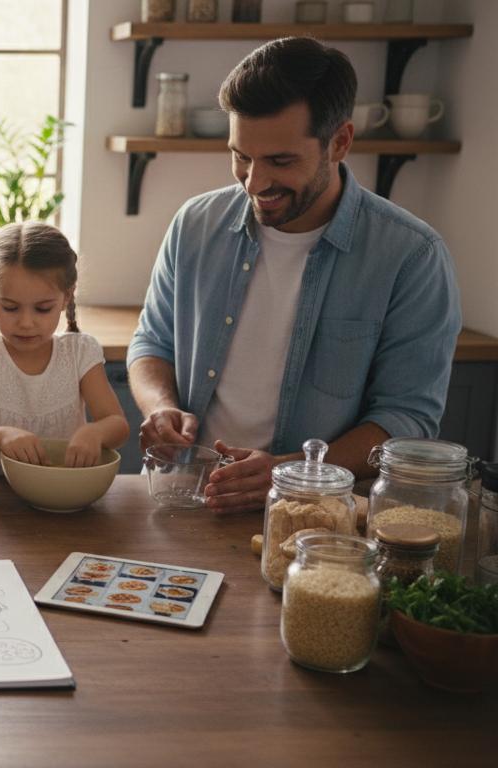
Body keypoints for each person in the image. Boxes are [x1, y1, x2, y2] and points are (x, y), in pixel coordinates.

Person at [128, 37, 461, 513]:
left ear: (340, 142)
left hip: (313, 516)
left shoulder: (412, 255)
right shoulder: (194, 224)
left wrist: (291, 474)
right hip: (183, 497)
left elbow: (407, 418)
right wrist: (159, 407)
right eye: (241, 155)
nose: (254, 182)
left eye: (280, 161)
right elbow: (152, 344)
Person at [0, 222, 128, 474]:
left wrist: (95, 432)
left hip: (61, 497)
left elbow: (117, 424)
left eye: (42, 308)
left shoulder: (80, 352)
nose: (26, 323)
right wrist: (0, 436)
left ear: (66, 297)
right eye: (10, 307)